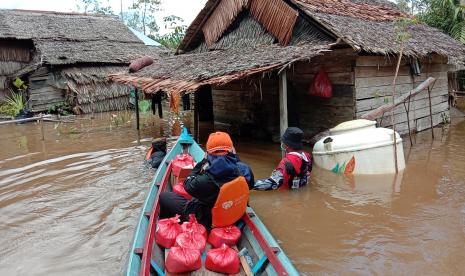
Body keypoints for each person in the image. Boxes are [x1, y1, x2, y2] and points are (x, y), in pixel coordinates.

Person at [159, 131, 254, 229]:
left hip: (208, 221)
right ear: (232, 150)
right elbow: (250, 186)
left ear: (208, 153)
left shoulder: (204, 181)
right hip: (234, 215)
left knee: (164, 196)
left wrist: (201, 163)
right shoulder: (245, 169)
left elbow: (187, 185)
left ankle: (167, 225)